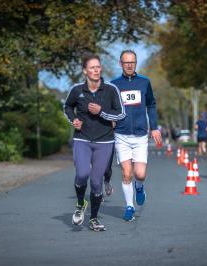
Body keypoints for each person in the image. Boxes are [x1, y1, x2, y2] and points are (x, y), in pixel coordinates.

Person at [64, 54, 125, 231]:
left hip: (104, 141)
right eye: (92, 67)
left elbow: (121, 114)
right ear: (85, 71)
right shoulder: (77, 90)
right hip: (82, 138)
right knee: (82, 174)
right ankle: (80, 204)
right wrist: (73, 120)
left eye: (98, 67)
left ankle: (94, 219)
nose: (96, 70)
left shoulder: (111, 89)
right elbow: (67, 107)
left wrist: (102, 112)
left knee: (96, 182)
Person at [111, 50, 162, 221]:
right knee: (127, 173)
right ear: (121, 64)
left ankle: (139, 187)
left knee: (139, 174)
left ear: (136, 62)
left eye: (132, 62)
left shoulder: (144, 83)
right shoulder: (114, 85)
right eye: (126, 62)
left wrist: (154, 127)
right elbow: (110, 109)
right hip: (121, 135)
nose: (130, 65)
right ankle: (129, 206)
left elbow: (151, 106)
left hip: (140, 135)